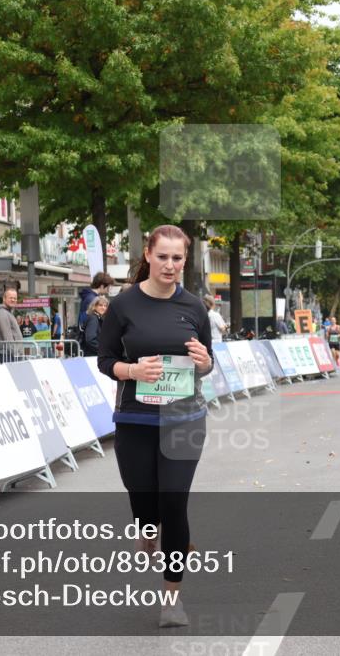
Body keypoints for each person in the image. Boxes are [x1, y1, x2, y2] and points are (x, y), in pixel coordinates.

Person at [97, 225, 213, 628]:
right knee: (145, 503)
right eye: (162, 256)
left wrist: (203, 363)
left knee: (174, 503)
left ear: (185, 260)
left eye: (177, 258)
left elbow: (208, 361)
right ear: (148, 255)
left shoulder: (195, 308)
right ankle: (147, 529)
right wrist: (131, 369)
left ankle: (171, 602)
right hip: (135, 420)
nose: (170, 265)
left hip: (184, 419)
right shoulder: (123, 305)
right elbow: (105, 357)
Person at [0, 288, 23, 362]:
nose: (13, 300)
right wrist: (16, 354)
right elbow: (7, 337)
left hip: (12, 355)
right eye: (10, 298)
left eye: (15, 298)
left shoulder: (8, 312)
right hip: (9, 355)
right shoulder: (2, 313)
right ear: (4, 299)